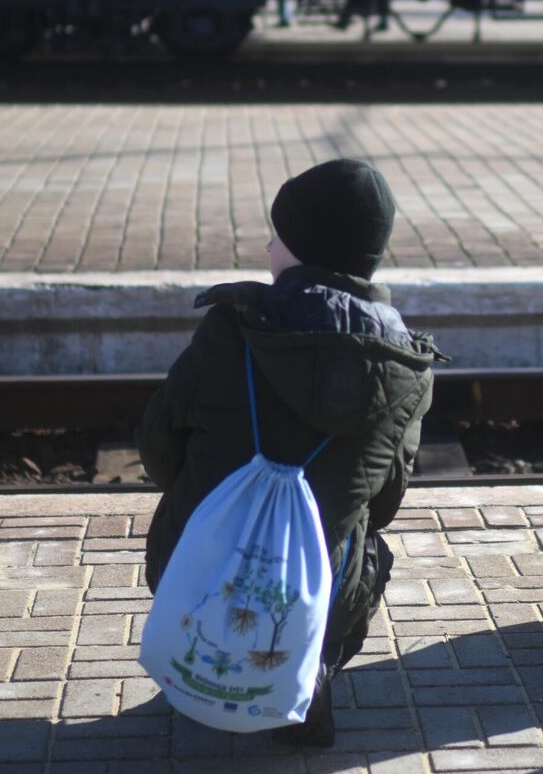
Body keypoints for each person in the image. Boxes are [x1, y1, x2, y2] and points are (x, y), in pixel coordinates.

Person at [137, 158, 442, 746]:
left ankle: (203, 656)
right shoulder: (407, 369)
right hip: (315, 592)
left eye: (279, 235)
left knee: (184, 510)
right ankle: (314, 668)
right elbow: (384, 503)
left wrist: (204, 498)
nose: (270, 245)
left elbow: (157, 445)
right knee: (367, 547)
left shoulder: (231, 330)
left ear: (302, 250)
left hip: (191, 564)